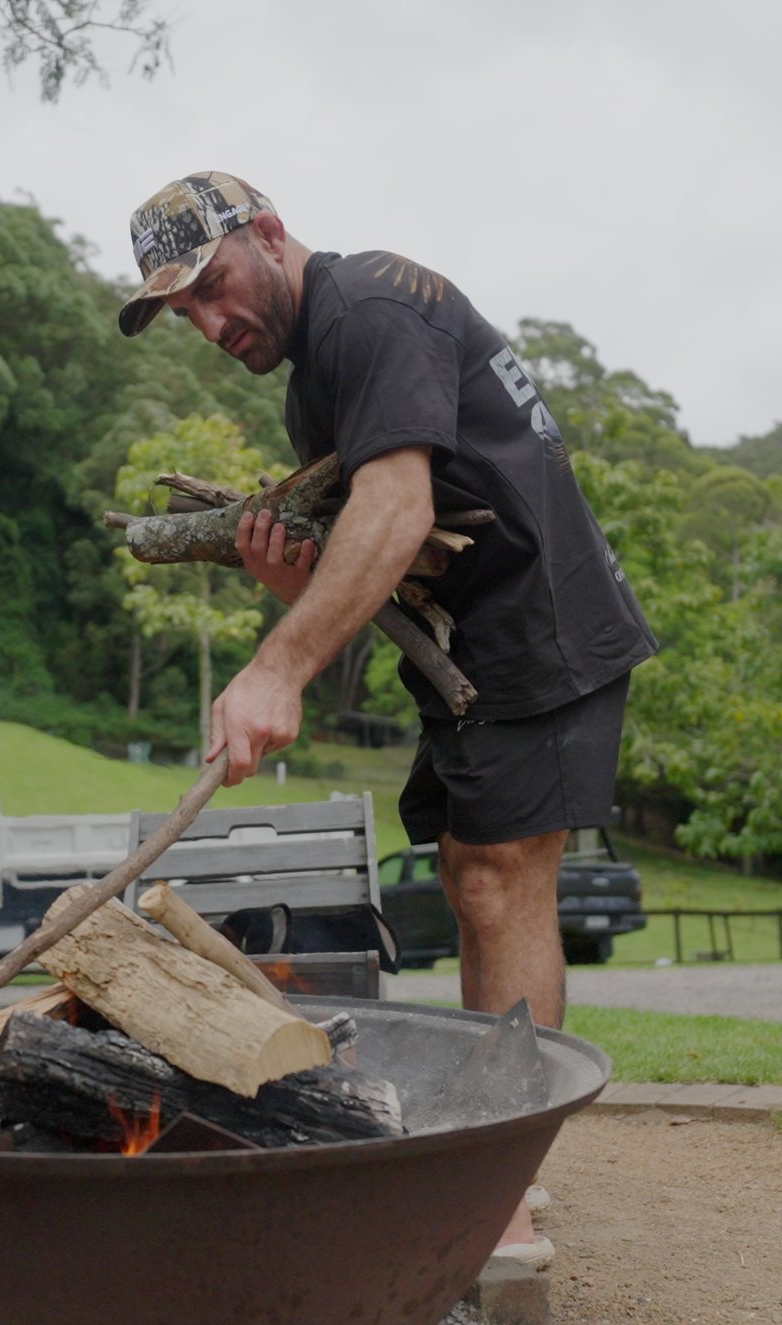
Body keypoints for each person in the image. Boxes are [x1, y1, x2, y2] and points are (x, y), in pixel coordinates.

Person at [118, 172, 658, 1263]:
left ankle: (498, 1199)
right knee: (474, 877)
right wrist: (298, 590)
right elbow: (401, 552)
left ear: (268, 234)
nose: (212, 323)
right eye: (186, 313)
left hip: (540, 625)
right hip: (476, 640)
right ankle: (500, 1165)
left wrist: (278, 667)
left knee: (501, 881)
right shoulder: (313, 375)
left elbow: (398, 504)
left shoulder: (366, 306)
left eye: (214, 286)